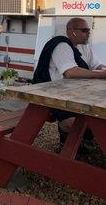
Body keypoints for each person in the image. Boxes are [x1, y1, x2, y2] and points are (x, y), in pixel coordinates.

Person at [33, 17, 106, 147]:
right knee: (73, 123)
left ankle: (83, 142)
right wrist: (101, 75)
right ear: (71, 31)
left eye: (88, 30)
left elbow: (97, 65)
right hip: (54, 94)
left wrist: (102, 70)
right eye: (84, 30)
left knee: (95, 114)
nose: (88, 33)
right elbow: (70, 72)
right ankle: (69, 142)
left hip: (76, 92)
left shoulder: (85, 47)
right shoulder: (61, 45)